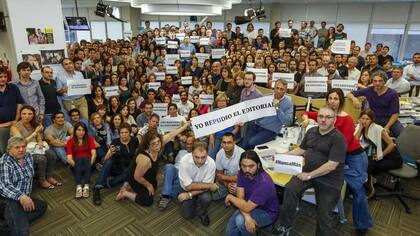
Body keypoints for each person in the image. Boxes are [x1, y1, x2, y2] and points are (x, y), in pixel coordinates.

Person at [302, 88, 373, 234]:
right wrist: (305, 119)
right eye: (330, 98)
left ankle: (362, 224)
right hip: (336, 158)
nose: (332, 101)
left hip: (353, 157)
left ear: (341, 101)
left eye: (336, 98)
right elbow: (307, 113)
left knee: (357, 189)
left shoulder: (346, 119)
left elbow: (343, 145)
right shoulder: (325, 115)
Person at [273, 106, 347, 236]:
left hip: (329, 179)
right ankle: (285, 225)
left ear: (334, 120)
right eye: (320, 116)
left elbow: (331, 165)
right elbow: (301, 150)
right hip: (307, 171)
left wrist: (309, 175)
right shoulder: (311, 131)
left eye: (328, 117)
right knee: (290, 189)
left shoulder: (339, 139)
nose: (323, 120)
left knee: (324, 212)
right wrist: (283, 156)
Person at [115, 121, 190, 206]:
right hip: (134, 177)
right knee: (148, 200)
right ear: (148, 145)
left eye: (158, 141)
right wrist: (148, 185)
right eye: (153, 144)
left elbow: (170, 135)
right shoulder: (145, 159)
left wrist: (185, 126)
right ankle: (125, 192)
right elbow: (137, 176)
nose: (157, 145)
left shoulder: (158, 145)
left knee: (154, 185)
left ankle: (128, 185)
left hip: (145, 173)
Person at [0, 137, 47, 236]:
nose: (21, 149)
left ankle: (5, 226)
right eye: (17, 147)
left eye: (23, 146)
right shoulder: (5, 162)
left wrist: (25, 197)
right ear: (9, 149)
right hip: (6, 198)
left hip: (22, 197)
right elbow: (4, 186)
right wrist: (22, 196)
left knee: (41, 206)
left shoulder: (28, 157)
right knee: (21, 227)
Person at [225, 150, 279, 236]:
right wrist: (247, 217)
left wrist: (230, 197)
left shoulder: (264, 183)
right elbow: (240, 199)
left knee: (240, 221)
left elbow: (245, 207)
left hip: (267, 212)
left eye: (251, 166)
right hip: (248, 204)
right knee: (230, 233)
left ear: (258, 165)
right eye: (243, 166)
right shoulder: (242, 173)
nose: (247, 170)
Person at [355, 109, 402, 198]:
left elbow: (391, 145)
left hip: (392, 157)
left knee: (368, 165)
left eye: (367, 119)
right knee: (363, 162)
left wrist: (381, 155)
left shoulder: (378, 129)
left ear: (372, 120)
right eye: (362, 118)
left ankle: (370, 189)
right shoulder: (361, 126)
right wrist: (360, 128)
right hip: (381, 153)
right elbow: (355, 141)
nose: (364, 121)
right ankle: (370, 181)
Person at [10, 105, 59, 189]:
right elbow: (21, 143)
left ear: (33, 115)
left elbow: (39, 138)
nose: (27, 116)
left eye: (30, 114)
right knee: (41, 159)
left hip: (34, 148)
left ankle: (49, 176)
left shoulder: (34, 124)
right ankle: (42, 180)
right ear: (20, 114)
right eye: (24, 114)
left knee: (51, 154)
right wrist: (35, 132)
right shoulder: (15, 127)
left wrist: (40, 142)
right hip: (21, 151)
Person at [93, 123, 138, 205]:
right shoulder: (115, 142)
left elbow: (137, 152)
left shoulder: (134, 140)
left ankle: (109, 184)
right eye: (122, 133)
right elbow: (106, 158)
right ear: (119, 133)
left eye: (126, 132)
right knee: (109, 161)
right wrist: (110, 153)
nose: (124, 135)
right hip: (115, 167)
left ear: (129, 132)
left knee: (131, 170)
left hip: (127, 169)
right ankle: (97, 188)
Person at [347, 72, 404, 137]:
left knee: (403, 135)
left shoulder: (392, 93)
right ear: (372, 82)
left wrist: (387, 126)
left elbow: (395, 113)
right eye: (375, 81)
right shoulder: (368, 90)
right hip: (374, 119)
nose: (377, 83)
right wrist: (354, 99)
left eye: (380, 81)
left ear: (385, 81)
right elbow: (349, 94)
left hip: (389, 119)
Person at [241, 79, 293, 150]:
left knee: (250, 143)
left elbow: (288, 122)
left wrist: (277, 109)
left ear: (285, 90)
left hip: (270, 130)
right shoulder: (266, 97)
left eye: (282, 89)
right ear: (273, 88)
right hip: (257, 124)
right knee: (244, 144)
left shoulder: (288, 103)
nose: (278, 91)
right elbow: (256, 112)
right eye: (277, 88)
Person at [176, 141, 217, 226]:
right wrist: (209, 185)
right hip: (186, 189)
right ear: (191, 153)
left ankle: (202, 213)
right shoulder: (184, 160)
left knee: (206, 198)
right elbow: (189, 186)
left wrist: (189, 195)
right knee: (187, 215)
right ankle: (196, 201)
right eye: (197, 157)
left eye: (203, 157)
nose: (200, 161)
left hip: (199, 191)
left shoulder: (211, 163)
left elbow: (203, 188)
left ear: (207, 154)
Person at [157, 134, 195, 211]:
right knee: (169, 166)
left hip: (184, 176)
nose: (188, 146)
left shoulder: (197, 155)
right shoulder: (181, 152)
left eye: (191, 144)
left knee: (177, 179)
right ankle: (167, 195)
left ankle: (166, 195)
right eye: (187, 144)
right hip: (175, 171)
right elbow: (175, 164)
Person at [66, 122, 96, 198]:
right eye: (79, 130)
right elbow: (69, 159)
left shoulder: (89, 138)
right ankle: (78, 186)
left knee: (86, 158)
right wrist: (77, 167)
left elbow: (94, 154)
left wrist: (89, 165)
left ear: (85, 131)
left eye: (83, 130)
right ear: (75, 131)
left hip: (88, 164)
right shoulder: (70, 141)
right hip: (76, 165)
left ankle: (86, 185)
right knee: (79, 159)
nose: (81, 132)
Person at [212, 132, 244, 201]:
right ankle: (230, 192)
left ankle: (234, 196)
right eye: (224, 142)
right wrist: (227, 185)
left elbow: (241, 177)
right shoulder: (219, 154)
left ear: (234, 143)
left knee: (236, 189)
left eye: (229, 142)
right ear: (221, 143)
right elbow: (219, 175)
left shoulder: (241, 154)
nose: (226, 145)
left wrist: (223, 177)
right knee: (214, 196)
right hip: (226, 180)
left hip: (240, 180)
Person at [0, 66, 24, 154]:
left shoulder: (13, 87)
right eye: (0, 77)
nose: (3, 79)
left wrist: (16, 120)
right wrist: (4, 124)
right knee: (4, 150)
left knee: (18, 148)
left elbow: (19, 103)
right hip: (1, 127)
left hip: (15, 123)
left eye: (5, 77)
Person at [208, 94, 240, 159]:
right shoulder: (213, 111)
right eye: (219, 101)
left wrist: (229, 136)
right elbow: (210, 126)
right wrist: (211, 135)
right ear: (216, 103)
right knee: (210, 156)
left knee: (221, 156)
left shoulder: (232, 112)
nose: (221, 103)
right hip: (216, 137)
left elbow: (236, 128)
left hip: (228, 137)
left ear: (226, 102)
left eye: (223, 101)